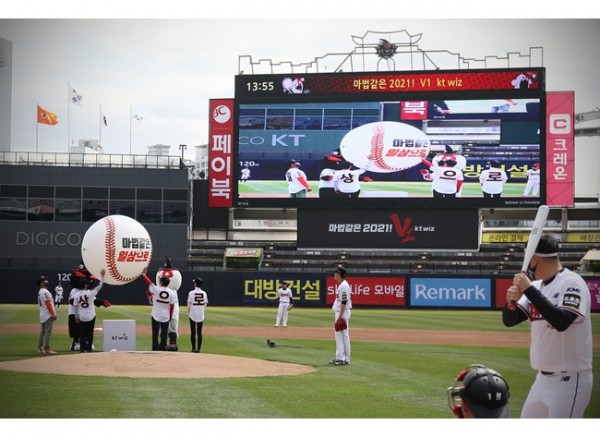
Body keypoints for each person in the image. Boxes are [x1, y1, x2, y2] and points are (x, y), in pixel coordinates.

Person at [502, 234, 593, 418]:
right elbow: (510, 320)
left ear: (535, 260)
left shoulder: (573, 283)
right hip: (541, 381)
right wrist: (511, 303)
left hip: (569, 379)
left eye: (529, 261)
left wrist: (529, 289)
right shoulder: (537, 286)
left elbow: (561, 321)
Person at [142, 267, 176, 351]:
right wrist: (170, 316)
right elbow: (172, 306)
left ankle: (155, 348)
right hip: (165, 316)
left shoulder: (156, 289)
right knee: (164, 334)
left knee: (155, 333)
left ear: (161, 282)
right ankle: (163, 347)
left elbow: (149, 283)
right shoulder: (172, 293)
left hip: (155, 315)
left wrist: (143, 275)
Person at [73, 269, 105, 353]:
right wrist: (102, 277)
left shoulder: (76, 295)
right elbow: (99, 287)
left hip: (82, 316)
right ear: (85, 285)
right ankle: (89, 349)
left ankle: (82, 349)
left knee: (82, 333)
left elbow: (75, 307)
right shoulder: (90, 293)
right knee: (90, 333)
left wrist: (76, 316)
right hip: (91, 315)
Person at [330, 266, 352, 366]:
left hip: (342, 312)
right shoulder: (342, 285)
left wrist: (340, 316)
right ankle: (340, 357)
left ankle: (344, 359)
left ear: (339, 274)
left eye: (335, 273)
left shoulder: (343, 286)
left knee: (342, 335)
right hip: (341, 311)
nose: (334, 275)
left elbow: (344, 301)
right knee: (340, 335)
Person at [37, 276, 57, 355]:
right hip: (47, 314)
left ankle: (40, 348)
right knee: (48, 332)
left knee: (42, 332)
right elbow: (48, 303)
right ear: (41, 283)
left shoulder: (40, 291)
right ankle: (47, 348)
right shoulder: (45, 292)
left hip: (43, 313)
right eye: (44, 280)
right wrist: (53, 313)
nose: (46, 281)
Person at [187, 277, 208, 353]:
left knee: (193, 332)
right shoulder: (204, 293)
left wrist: (189, 310)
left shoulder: (191, 292)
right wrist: (202, 309)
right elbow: (205, 303)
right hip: (200, 314)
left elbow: (189, 304)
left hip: (192, 313)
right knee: (199, 332)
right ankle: (199, 349)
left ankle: (193, 348)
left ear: (195, 284)